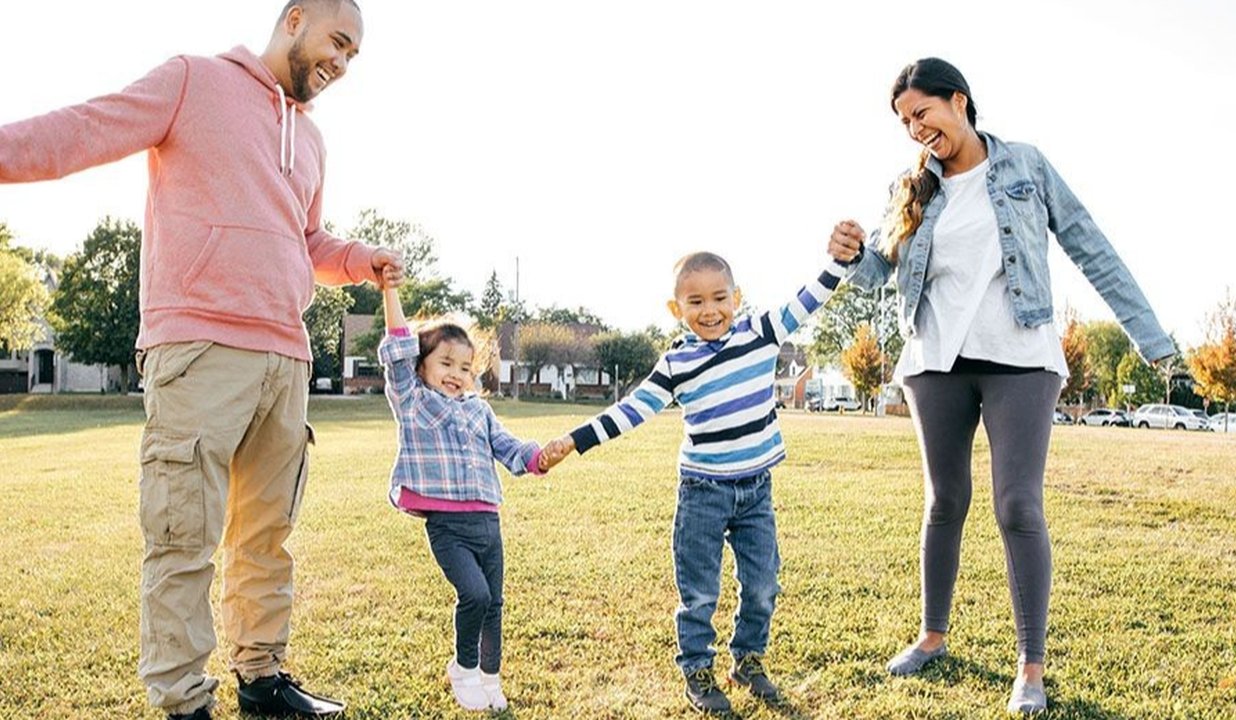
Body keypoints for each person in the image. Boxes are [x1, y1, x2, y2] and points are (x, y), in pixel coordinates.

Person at [0, 2, 404, 718]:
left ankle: (262, 679)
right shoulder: (193, 81)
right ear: (296, 18)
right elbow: (85, 129)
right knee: (183, 536)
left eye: (354, 56)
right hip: (199, 350)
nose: (342, 63)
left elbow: (304, 239)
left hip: (286, 357)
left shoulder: (310, 140)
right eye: (338, 42)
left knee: (267, 537)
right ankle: (185, 702)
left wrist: (356, 259)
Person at [828, 57, 1175, 714]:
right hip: (935, 359)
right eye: (904, 122)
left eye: (921, 113)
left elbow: (1091, 247)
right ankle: (932, 637)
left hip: (1021, 353)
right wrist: (849, 254)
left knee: (1018, 505)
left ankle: (1031, 667)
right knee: (944, 501)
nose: (915, 130)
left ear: (958, 100)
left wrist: (1149, 337)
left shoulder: (1027, 166)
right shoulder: (913, 187)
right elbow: (880, 270)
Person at [542, 241, 863, 714]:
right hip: (703, 494)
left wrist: (839, 260)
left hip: (756, 490)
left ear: (738, 297)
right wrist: (574, 441)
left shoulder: (763, 332)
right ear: (677, 309)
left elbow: (808, 299)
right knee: (700, 591)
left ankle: (748, 660)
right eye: (695, 302)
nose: (709, 310)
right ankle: (697, 668)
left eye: (719, 298)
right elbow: (632, 409)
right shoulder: (677, 364)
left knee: (762, 583)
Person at [377, 285, 564, 713]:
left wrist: (538, 457)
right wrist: (390, 289)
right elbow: (398, 348)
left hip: (488, 522)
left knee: (495, 605)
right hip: (448, 527)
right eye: (445, 363)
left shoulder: (479, 410)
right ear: (420, 367)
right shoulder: (414, 402)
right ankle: (464, 668)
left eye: (464, 366)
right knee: (475, 596)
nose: (456, 374)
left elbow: (509, 448)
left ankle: (489, 679)